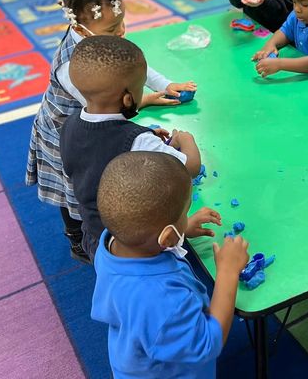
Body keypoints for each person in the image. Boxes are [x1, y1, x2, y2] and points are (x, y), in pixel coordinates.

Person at [26, 0, 196, 264]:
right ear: (81, 29)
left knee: (91, 181)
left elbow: (133, 67)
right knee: (74, 188)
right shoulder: (69, 66)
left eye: (122, 22)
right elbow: (106, 107)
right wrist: (145, 101)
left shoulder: (101, 41)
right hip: (64, 129)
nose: (120, 32)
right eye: (112, 28)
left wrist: (165, 85)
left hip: (92, 120)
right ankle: (77, 237)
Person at [92, 151, 250, 379]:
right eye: (185, 214)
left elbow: (149, 238)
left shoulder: (112, 244)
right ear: (166, 237)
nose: (187, 217)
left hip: (136, 356)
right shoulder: (163, 299)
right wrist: (228, 272)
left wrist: (181, 230)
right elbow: (208, 344)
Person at [60, 34, 217, 260]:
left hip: (95, 235)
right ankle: (177, 235)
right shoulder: (137, 140)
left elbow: (98, 149)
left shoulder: (70, 124)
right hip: (135, 245)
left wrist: (147, 138)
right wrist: (186, 140)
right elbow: (190, 167)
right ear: (128, 99)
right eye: (140, 87)